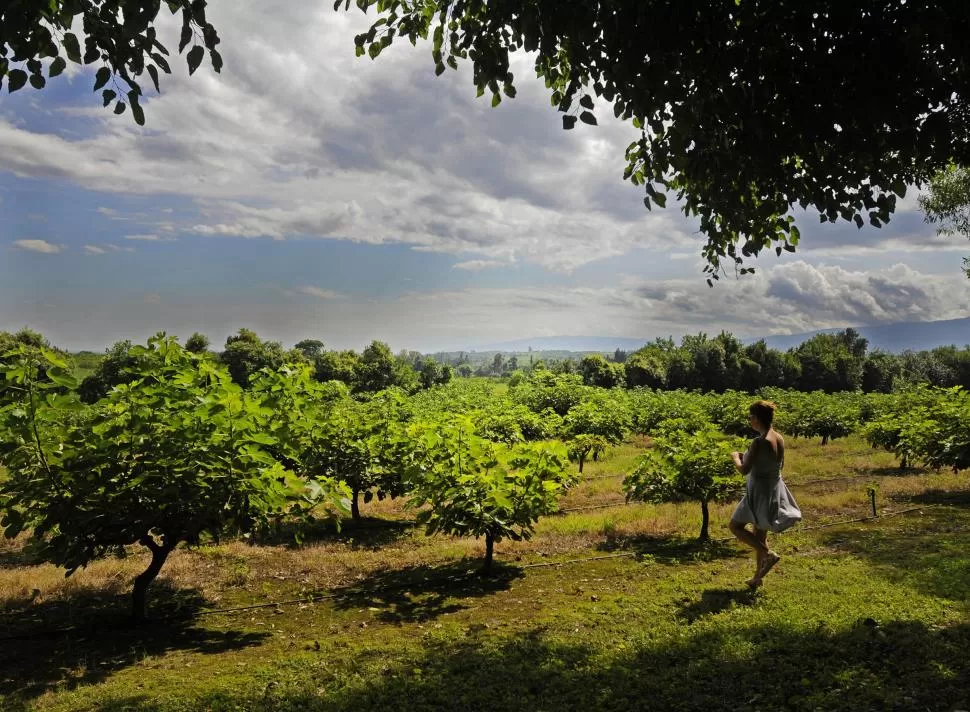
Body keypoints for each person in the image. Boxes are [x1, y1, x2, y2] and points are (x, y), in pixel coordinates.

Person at [728, 400, 802, 588]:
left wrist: (736, 458)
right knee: (759, 534)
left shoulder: (759, 441)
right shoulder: (778, 437)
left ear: (757, 418)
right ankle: (757, 578)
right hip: (773, 487)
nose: (749, 420)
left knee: (735, 526)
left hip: (758, 491)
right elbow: (777, 464)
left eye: (751, 417)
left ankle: (768, 554)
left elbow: (744, 470)